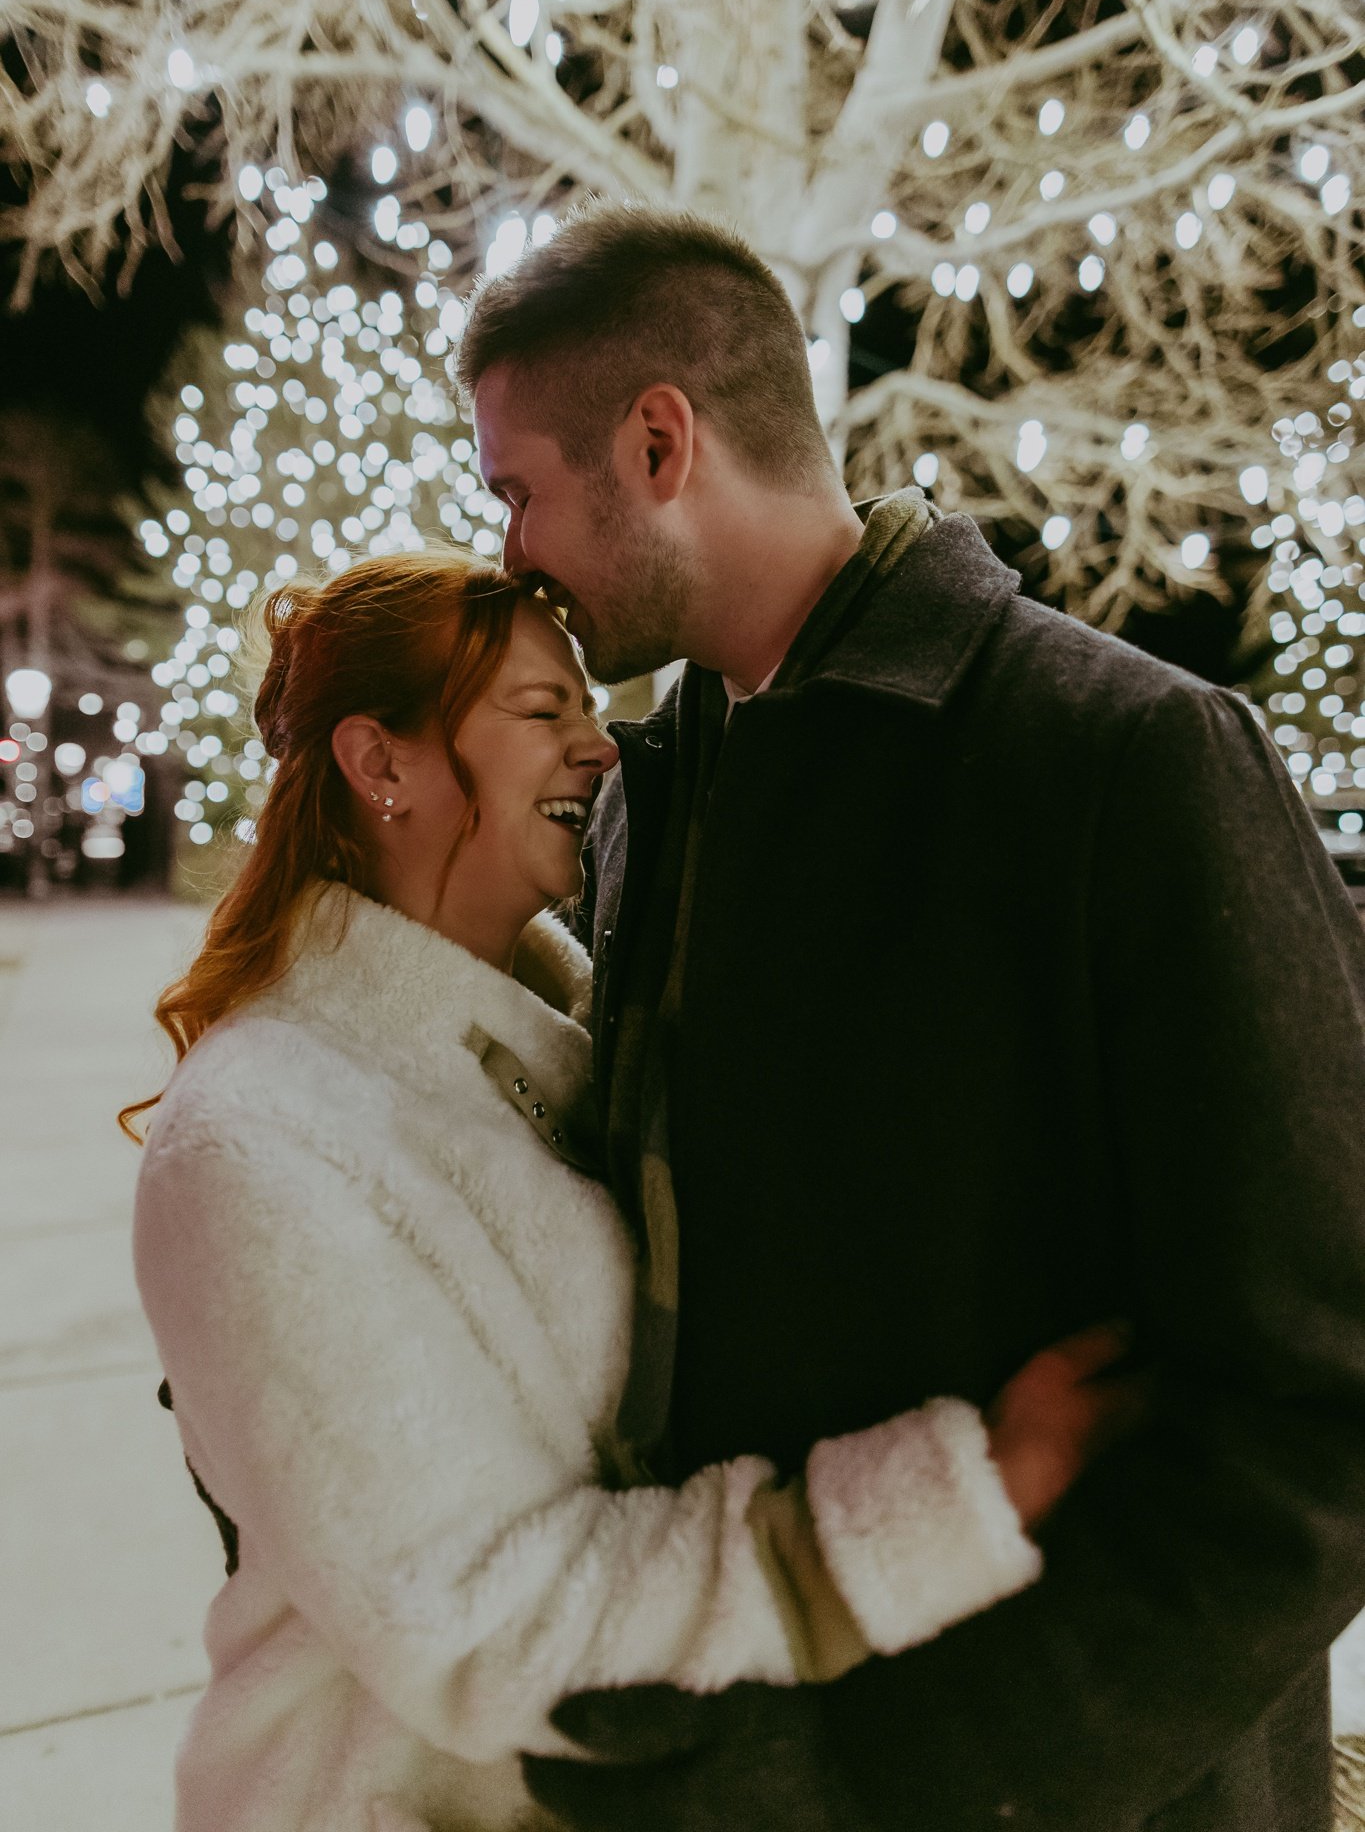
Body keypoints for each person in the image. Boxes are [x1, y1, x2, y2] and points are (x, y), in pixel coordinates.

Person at [458, 202, 1365, 1832]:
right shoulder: (648, 802)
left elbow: (1324, 1404)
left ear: (660, 441)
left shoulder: (1122, 763)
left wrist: (939, 1772)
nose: (508, 551)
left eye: (519, 489)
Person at [128, 549, 1139, 1832]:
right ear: (379, 762)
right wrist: (965, 1491)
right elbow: (480, 1615)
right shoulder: (257, 1140)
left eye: (589, 711)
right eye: (540, 713)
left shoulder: (566, 1051)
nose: (599, 752)